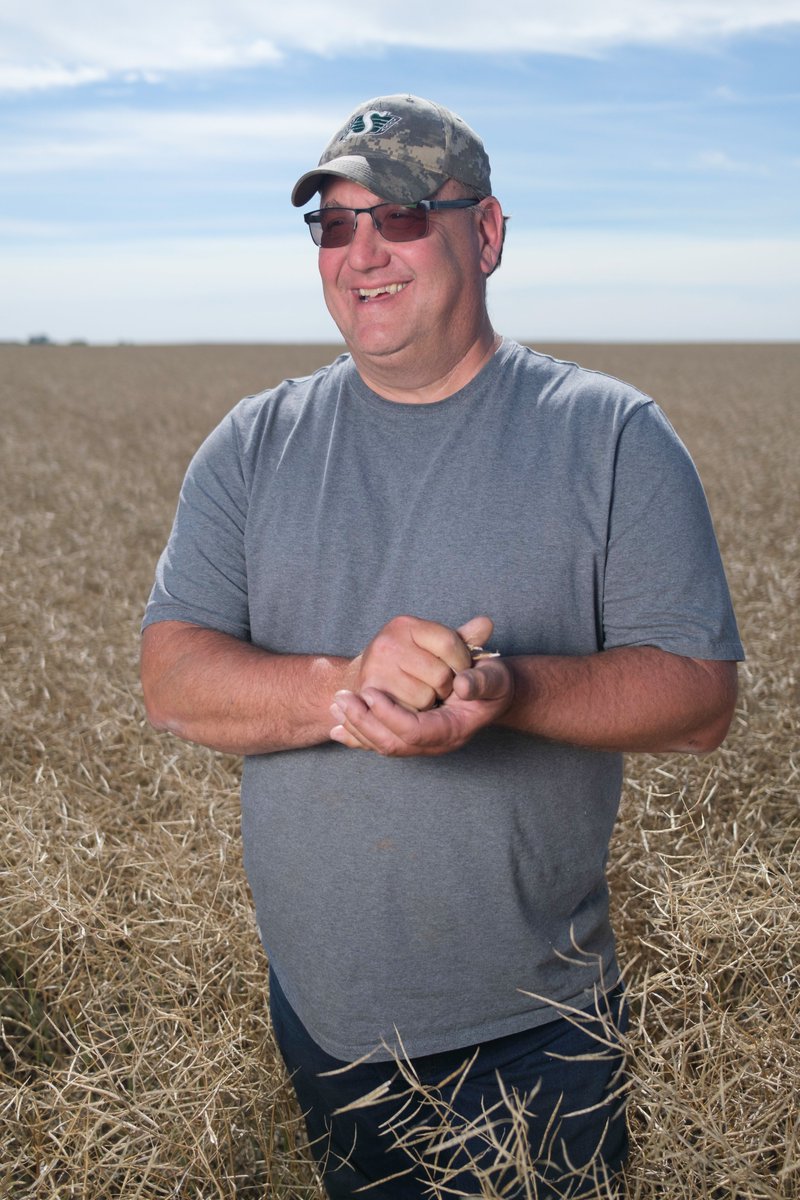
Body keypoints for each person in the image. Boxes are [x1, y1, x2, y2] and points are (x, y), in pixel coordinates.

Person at [140, 94, 743, 1198]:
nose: (361, 252)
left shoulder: (610, 438)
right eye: (333, 224)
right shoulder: (250, 444)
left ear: (488, 233)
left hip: (532, 1036)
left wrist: (505, 690)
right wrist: (342, 691)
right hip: (319, 1021)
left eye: (403, 216)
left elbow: (698, 700)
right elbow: (172, 678)